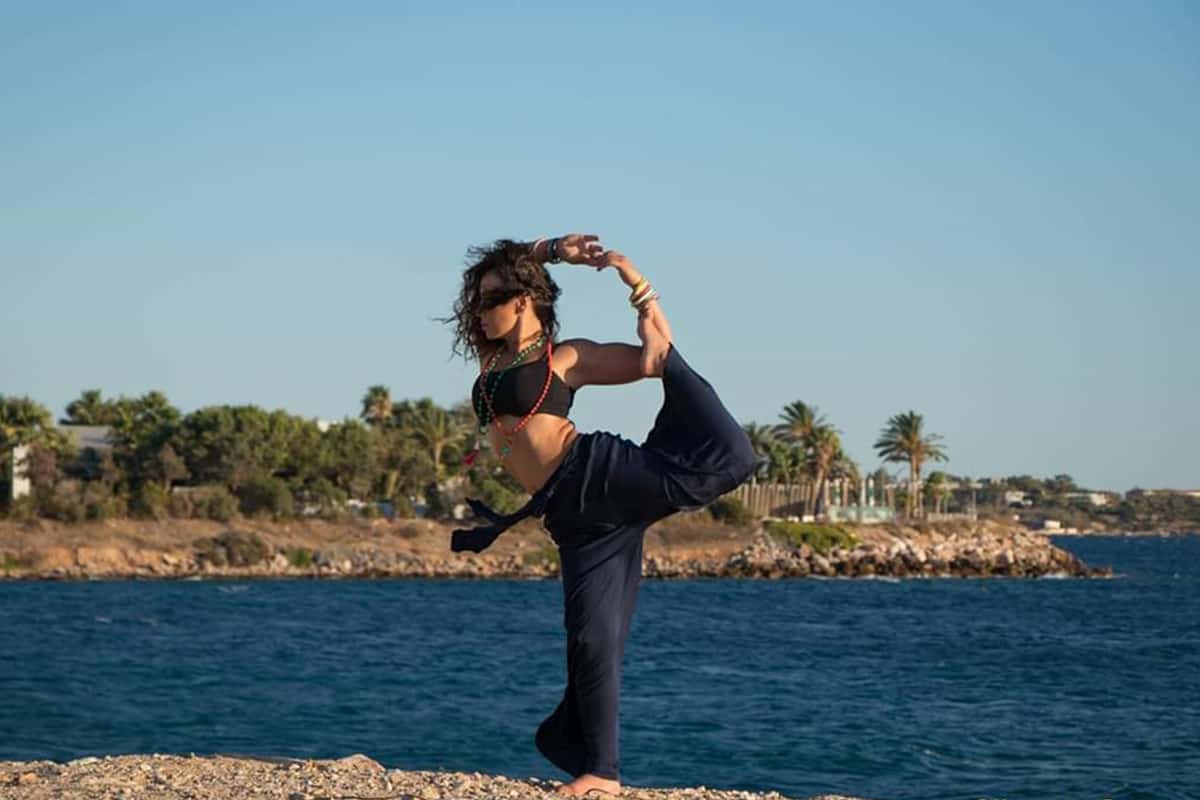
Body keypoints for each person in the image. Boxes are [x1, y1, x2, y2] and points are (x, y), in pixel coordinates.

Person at [445, 234, 756, 797]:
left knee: (722, 459)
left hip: (599, 472)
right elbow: (509, 260)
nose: (479, 311)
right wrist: (552, 247)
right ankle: (601, 774)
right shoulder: (494, 358)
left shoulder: (567, 358)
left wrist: (637, 285)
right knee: (592, 638)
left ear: (523, 301)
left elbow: (652, 360)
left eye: (492, 300)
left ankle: (731, 451)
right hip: (570, 513)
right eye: (477, 299)